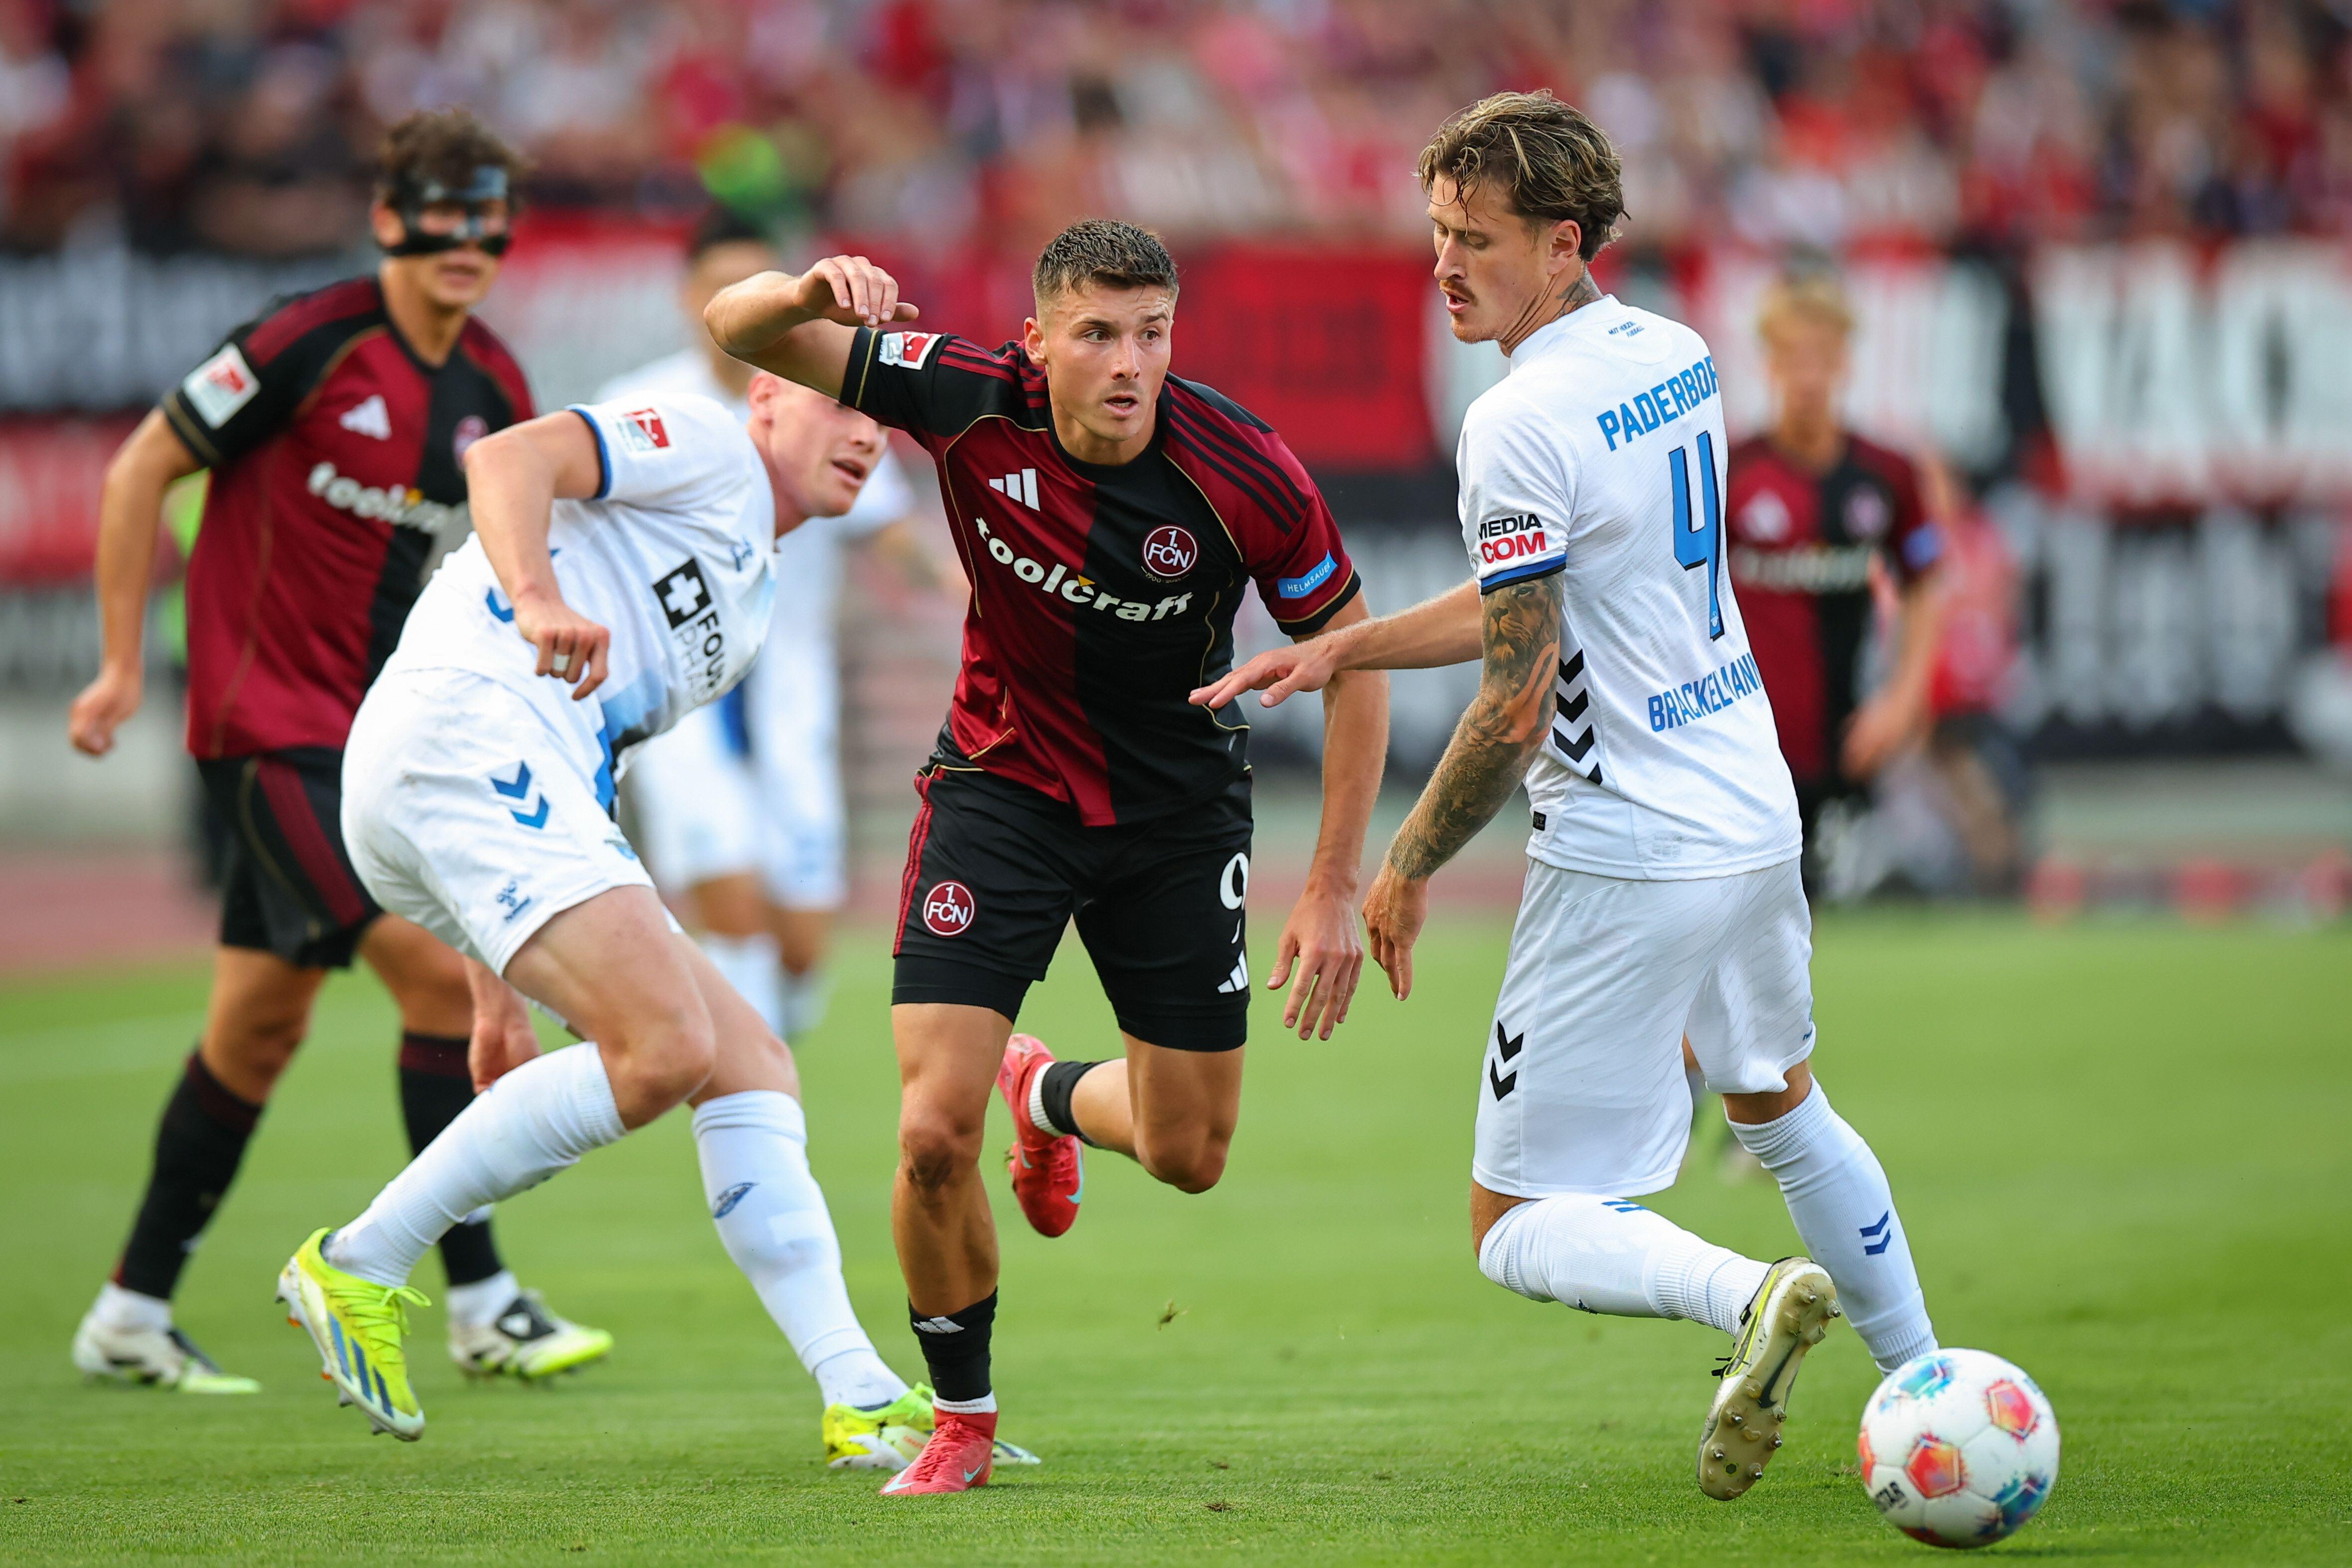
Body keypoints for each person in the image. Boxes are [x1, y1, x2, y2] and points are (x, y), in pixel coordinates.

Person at [1195, 91, 1939, 1501]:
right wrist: (1349, 646)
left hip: (1626, 845)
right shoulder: (1674, 352)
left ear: (1562, 242)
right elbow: (1550, 592)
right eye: (1435, 233)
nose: (1443, 265)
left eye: (1474, 238)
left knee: (1513, 1219)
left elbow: (1514, 694)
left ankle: (1747, 1296)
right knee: (1780, 1107)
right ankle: (1926, 1387)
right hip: (1746, 810)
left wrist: (1400, 865)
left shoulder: (1515, 419)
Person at [704, 218, 1390, 1494]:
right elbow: (734, 328)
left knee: (1188, 1154)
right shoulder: (966, 396)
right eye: (1097, 334)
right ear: (1037, 342)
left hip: (1175, 821)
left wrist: (1335, 881)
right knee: (928, 1130)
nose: (1129, 363)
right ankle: (961, 1417)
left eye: (1152, 334)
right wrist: (804, 291)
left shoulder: (1243, 469)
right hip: (1000, 791)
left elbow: (1355, 661)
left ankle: (1047, 1094)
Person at [275, 371, 1027, 1474]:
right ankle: (361, 1259)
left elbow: (594, 748)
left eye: (879, 418)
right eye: (839, 405)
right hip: (465, 733)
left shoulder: (751, 600)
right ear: (766, 398)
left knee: (749, 1062)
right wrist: (535, 596)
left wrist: (497, 986)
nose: (866, 434)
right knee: (665, 1047)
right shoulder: (707, 441)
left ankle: (859, 1392)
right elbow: (505, 457)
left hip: (491, 779)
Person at [63, 107, 607, 1393]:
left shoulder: (494, 390)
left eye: (490, 220)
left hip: (373, 743)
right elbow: (140, 470)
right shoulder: (308, 340)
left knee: (253, 1035)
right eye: (443, 215)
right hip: (264, 732)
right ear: (387, 220)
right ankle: (481, 1300)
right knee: (440, 986)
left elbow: (512, 557)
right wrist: (122, 664)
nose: (467, 241)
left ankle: (127, 1312)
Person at [602, 208, 946, 1039]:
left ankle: (757, 1051)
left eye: (757, 280)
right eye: (723, 284)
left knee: (800, 941)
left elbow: (893, 534)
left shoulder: (826, 401)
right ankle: (744, 1089)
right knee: (731, 899)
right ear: (689, 296)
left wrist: (989, 599)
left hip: (790, 689)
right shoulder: (637, 404)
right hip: (679, 692)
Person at [1723, 270, 1947, 888]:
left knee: (1840, 916)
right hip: (1745, 748)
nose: (1807, 377)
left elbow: (1927, 583)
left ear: (1846, 363)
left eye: (1821, 358)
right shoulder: (1730, 472)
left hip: (1848, 743)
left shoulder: (1888, 474)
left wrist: (1903, 700)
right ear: (1768, 364)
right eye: (1792, 357)